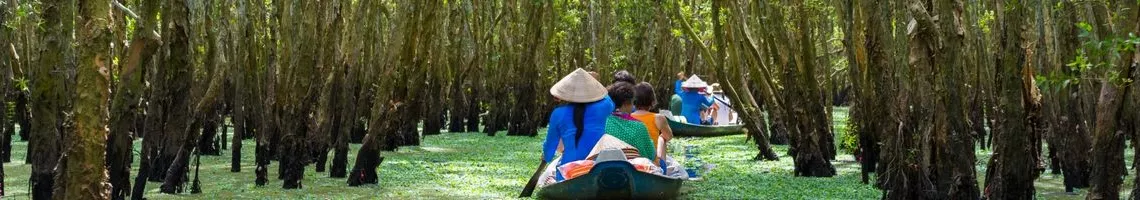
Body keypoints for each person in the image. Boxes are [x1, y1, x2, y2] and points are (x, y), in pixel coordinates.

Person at [541, 68, 614, 182]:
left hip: (568, 170)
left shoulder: (558, 113)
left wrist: (546, 157)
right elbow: (606, 98)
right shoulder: (603, 108)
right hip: (597, 167)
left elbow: (551, 145)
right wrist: (594, 83)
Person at [602, 81, 656, 160]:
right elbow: (650, 155)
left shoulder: (603, 122)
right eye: (632, 102)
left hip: (608, 165)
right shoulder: (639, 126)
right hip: (634, 169)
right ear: (625, 103)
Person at [630, 82, 674, 164]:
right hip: (652, 164)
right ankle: (662, 169)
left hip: (634, 162)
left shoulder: (628, 117)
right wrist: (660, 137)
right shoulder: (659, 118)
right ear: (652, 100)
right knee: (662, 138)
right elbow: (669, 137)